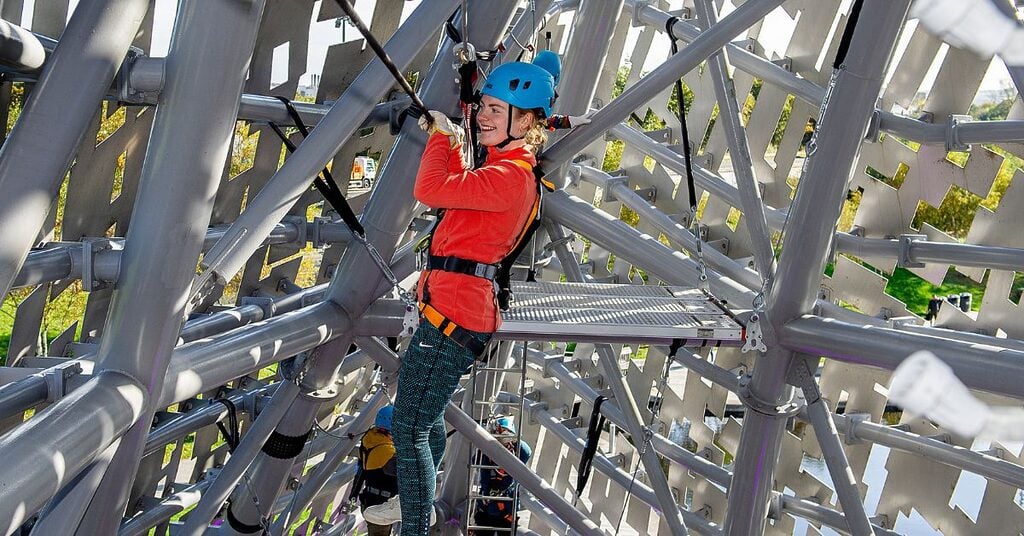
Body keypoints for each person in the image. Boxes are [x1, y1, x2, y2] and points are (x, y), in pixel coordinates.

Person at [362, 54, 560, 536]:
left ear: (527, 121)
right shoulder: (503, 169)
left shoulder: (511, 176)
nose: (485, 116)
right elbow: (454, 189)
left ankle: (416, 522)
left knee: (408, 427)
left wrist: (440, 138)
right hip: (451, 310)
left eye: (498, 109)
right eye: (485, 106)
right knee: (423, 420)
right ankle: (418, 498)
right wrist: (451, 140)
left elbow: (430, 190)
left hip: (453, 315)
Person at [471, 416, 532, 536]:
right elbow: (476, 461)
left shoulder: (519, 452)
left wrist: (509, 436)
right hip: (487, 506)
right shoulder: (486, 454)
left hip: (506, 508)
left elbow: (526, 451)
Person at [353, 405, 399, 536]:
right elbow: (405, 471)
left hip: (370, 500)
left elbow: (361, 469)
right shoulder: (388, 451)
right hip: (381, 506)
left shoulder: (369, 439)